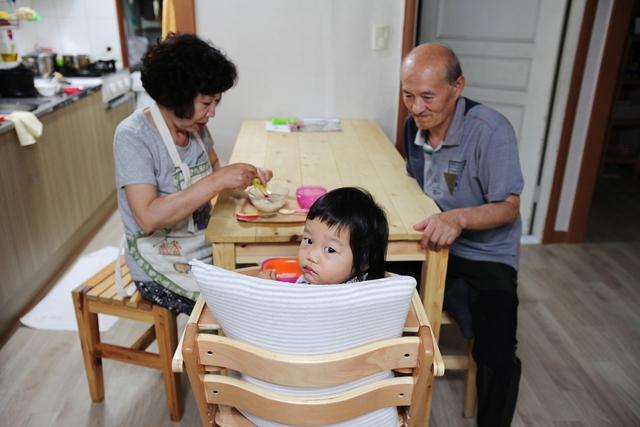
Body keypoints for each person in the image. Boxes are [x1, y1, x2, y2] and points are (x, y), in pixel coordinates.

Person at [400, 43, 524, 426]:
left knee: (498, 347)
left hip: (487, 254)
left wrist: (458, 219)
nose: (416, 107)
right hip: (432, 245)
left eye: (427, 96)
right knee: (370, 286)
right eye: (408, 95)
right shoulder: (413, 127)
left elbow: (508, 207)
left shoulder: (491, 130)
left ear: (458, 87)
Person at [114, 33, 272, 315]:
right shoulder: (133, 136)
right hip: (157, 266)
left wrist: (248, 177)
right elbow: (148, 217)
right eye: (205, 103)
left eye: (216, 102)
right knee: (240, 307)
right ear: (177, 97)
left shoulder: (193, 127)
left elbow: (215, 168)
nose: (211, 113)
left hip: (203, 248)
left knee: (267, 280)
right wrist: (219, 180)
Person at [258, 187, 388, 284]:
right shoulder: (317, 279)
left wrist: (267, 292)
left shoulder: (352, 300)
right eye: (308, 240)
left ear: (365, 262)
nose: (311, 256)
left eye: (330, 249)